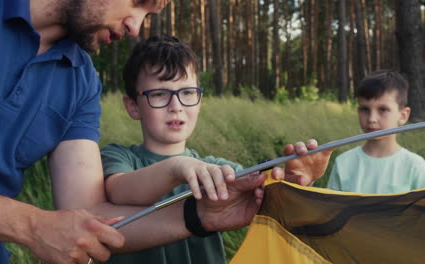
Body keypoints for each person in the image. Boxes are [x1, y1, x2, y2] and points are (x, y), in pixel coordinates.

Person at [0, 0, 332, 263]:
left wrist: (199, 217)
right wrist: (32, 225)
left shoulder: (81, 80)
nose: (135, 27)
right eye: (137, 2)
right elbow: (93, 203)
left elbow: (90, 214)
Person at [100, 35, 334, 264]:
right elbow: (120, 191)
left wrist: (298, 184)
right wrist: (177, 168)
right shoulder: (118, 156)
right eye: (160, 94)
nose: (176, 106)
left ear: (199, 101)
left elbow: (271, 208)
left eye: (187, 93)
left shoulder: (221, 170)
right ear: (132, 106)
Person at [327, 70, 425, 194]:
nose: (372, 119)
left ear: (403, 116)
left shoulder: (415, 166)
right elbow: (331, 211)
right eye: (365, 109)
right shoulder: (343, 163)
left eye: (383, 109)